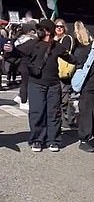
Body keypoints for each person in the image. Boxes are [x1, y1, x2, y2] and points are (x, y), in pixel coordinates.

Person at [16, 19, 76, 152]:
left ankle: (53, 140)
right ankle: (37, 140)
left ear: (48, 31)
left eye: (41, 28)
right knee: (37, 113)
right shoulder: (32, 44)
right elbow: (17, 50)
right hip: (36, 84)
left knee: (53, 113)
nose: (38, 31)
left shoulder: (57, 46)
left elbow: (72, 59)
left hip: (54, 85)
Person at [54, 18, 76, 128]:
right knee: (56, 98)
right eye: (57, 26)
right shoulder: (52, 38)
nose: (58, 28)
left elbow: (63, 51)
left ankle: (69, 120)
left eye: (61, 26)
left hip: (63, 72)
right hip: (53, 71)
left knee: (65, 98)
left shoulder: (67, 39)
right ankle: (60, 119)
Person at [13, 21, 37, 109]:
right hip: (27, 64)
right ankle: (23, 101)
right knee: (26, 83)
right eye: (33, 31)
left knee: (24, 82)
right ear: (29, 31)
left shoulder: (19, 40)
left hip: (21, 64)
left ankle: (19, 97)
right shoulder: (30, 42)